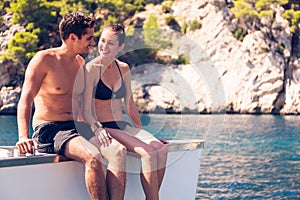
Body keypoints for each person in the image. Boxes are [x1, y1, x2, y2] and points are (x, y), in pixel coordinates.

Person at [15, 13, 126, 200]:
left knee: (119, 152)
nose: (93, 43)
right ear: (73, 37)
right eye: (89, 37)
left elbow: (84, 106)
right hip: (50, 129)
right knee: (93, 156)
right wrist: (23, 136)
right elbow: (25, 100)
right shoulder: (44, 60)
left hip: (76, 128)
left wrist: (97, 128)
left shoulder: (80, 63)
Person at [83, 24, 168, 200]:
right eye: (102, 41)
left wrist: (143, 133)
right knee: (148, 153)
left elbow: (130, 104)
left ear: (120, 47)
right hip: (104, 126)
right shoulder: (91, 69)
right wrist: (97, 128)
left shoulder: (124, 68)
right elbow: (85, 109)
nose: (104, 46)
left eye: (111, 43)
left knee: (160, 148)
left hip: (122, 125)